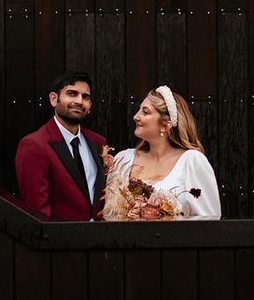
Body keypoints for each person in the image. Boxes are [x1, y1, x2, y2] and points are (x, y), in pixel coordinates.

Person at [102, 85, 221, 219]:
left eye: (145, 112)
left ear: (165, 125)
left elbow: (209, 219)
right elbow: (109, 216)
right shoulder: (123, 159)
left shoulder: (191, 162)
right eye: (139, 110)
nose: (136, 116)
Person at [15, 71, 106, 220]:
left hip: (101, 237)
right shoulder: (34, 145)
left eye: (86, 97)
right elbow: (38, 212)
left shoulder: (98, 143)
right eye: (71, 93)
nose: (79, 101)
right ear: (53, 98)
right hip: (61, 239)